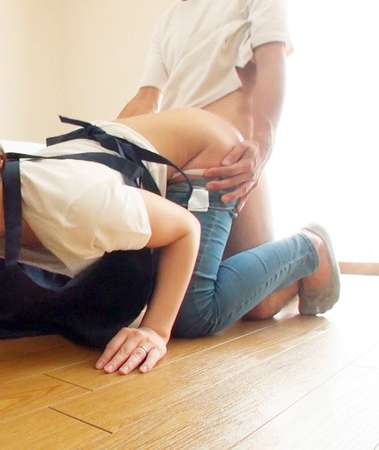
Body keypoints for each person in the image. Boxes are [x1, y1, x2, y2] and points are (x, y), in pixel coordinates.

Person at [0, 80, 338, 393]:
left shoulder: (71, 202)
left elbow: (181, 231)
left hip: (202, 157)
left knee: (193, 314)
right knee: (260, 308)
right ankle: (289, 278)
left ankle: (309, 245)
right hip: (141, 176)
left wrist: (154, 332)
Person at [118, 0, 295, 320]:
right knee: (244, 302)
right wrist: (96, 144)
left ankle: (313, 246)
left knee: (258, 305)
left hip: (230, 164)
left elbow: (273, 60)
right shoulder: (167, 23)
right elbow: (147, 99)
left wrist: (261, 146)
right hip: (184, 168)